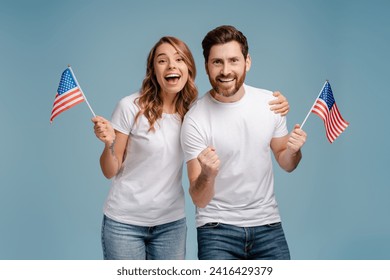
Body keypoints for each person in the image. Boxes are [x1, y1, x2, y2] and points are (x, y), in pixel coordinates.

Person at [92, 36, 290, 260]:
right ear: (153, 69)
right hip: (125, 222)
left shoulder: (192, 111)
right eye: (162, 60)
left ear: (189, 68)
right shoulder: (130, 107)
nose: (171, 66)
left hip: (170, 224)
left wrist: (275, 102)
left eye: (179, 59)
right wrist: (109, 144)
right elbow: (110, 170)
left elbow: (227, 96)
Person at [180, 25, 307, 260]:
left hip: (268, 225)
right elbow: (199, 198)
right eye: (217, 62)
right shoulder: (195, 119)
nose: (226, 70)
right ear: (207, 65)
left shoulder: (271, 103)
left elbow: (286, 162)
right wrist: (208, 173)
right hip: (216, 230)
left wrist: (294, 150)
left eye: (233, 60)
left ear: (247, 62)